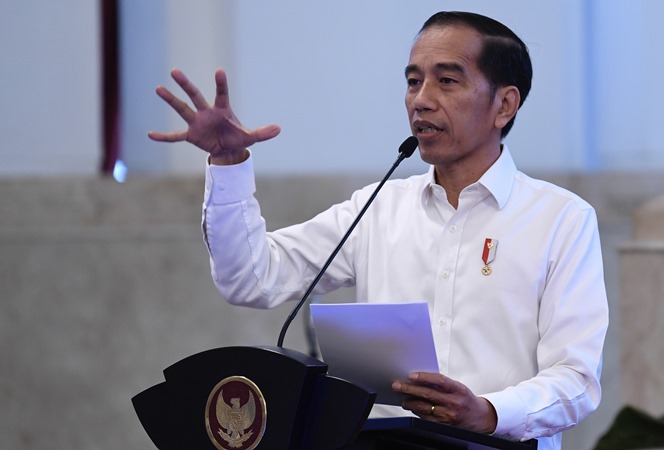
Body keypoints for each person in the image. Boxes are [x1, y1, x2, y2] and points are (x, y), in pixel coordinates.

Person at [149, 11, 608, 450]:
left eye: (447, 81)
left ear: (504, 104)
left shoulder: (561, 219)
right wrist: (228, 163)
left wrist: (487, 412)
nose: (421, 100)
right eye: (413, 81)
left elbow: (576, 380)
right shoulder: (378, 208)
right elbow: (250, 277)